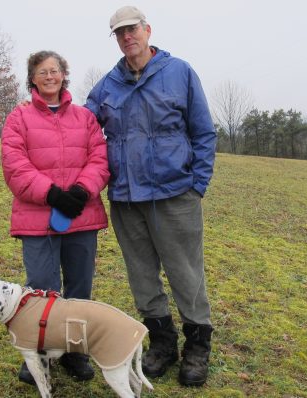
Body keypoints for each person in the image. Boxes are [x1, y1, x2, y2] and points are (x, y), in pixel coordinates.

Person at [86, 6, 217, 387]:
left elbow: (204, 132)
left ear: (147, 30)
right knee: (142, 276)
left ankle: (197, 345)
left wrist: (197, 185)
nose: (128, 37)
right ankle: (162, 342)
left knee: (185, 273)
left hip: (176, 195)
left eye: (133, 30)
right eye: (120, 33)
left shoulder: (180, 73)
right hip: (127, 198)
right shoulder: (108, 84)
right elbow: (82, 129)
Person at [1, 50, 109, 384]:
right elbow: (14, 166)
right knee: (41, 292)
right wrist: (51, 194)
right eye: (42, 71)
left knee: (78, 291)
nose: (50, 76)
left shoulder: (85, 118)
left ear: (64, 75)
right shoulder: (17, 119)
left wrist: (80, 192)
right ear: (32, 77)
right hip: (37, 219)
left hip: (81, 216)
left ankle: (75, 353)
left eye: (56, 70)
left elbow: (99, 159)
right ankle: (38, 356)